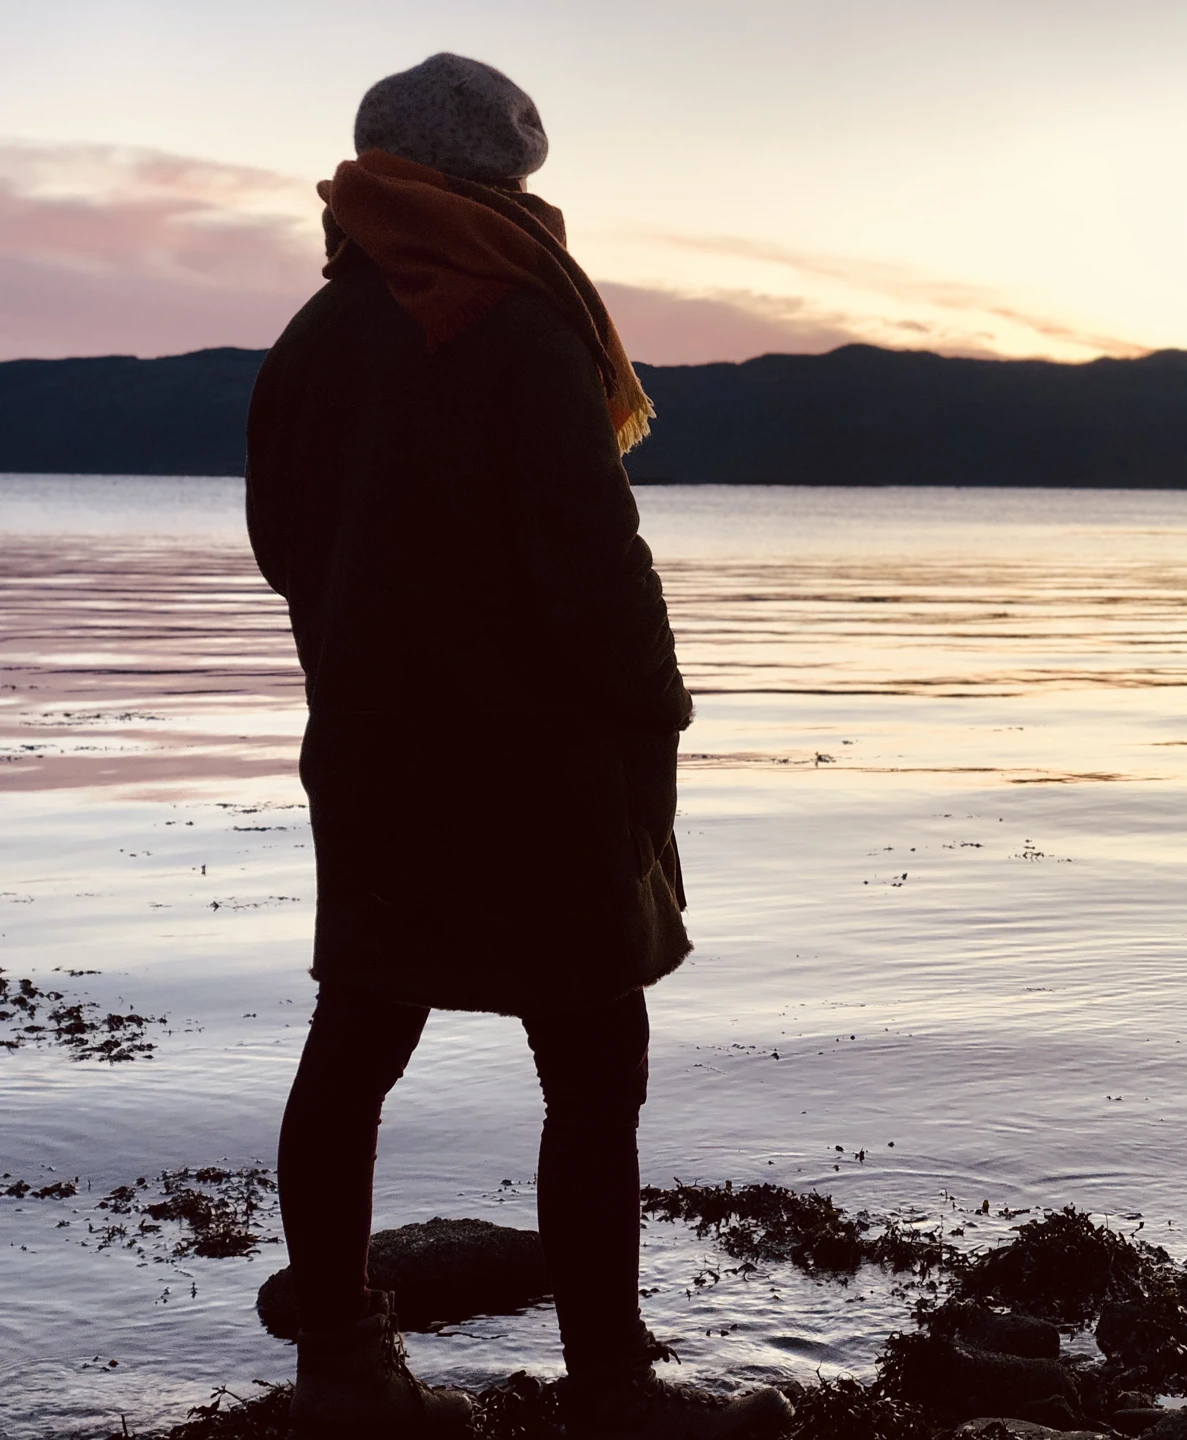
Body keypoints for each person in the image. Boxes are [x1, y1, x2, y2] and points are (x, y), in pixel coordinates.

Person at [245, 52, 793, 1440]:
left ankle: (339, 1369)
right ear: (501, 184)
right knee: (595, 1065)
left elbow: (281, 544)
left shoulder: (315, 336)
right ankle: (610, 1385)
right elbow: (593, 557)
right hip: (542, 760)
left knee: (357, 1041)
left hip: (373, 745)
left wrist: (368, 650)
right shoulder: (516, 321)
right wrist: (657, 706)